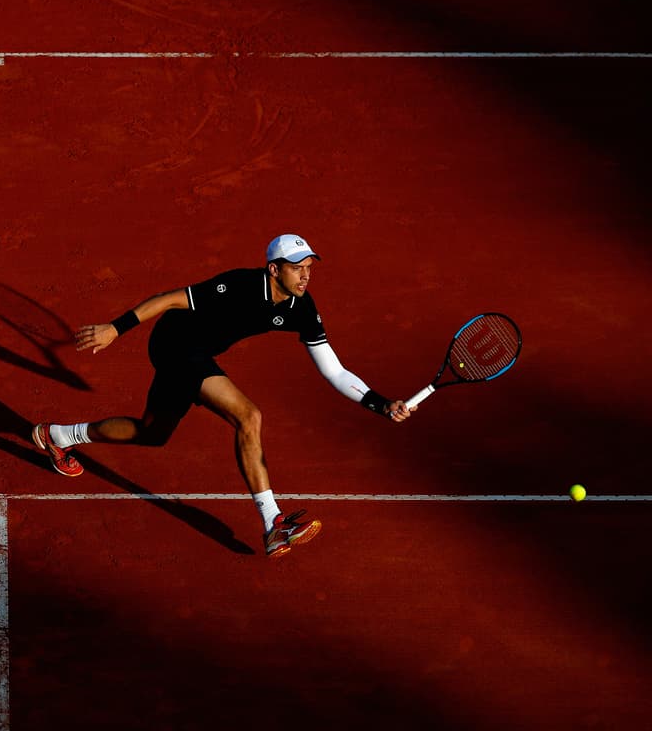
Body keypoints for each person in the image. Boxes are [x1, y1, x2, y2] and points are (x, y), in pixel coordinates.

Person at [32, 234, 412, 558]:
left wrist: (379, 403)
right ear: (274, 269)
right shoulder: (239, 285)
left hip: (197, 354)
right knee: (249, 416)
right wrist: (116, 328)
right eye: (297, 268)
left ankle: (58, 436)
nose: (305, 275)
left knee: (153, 432)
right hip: (174, 342)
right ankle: (274, 523)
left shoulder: (302, 308)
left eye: (309, 267)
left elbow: (334, 370)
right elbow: (169, 299)